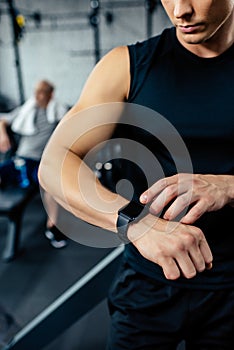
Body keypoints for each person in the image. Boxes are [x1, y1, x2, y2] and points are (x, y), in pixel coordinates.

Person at [39, 1, 234, 349]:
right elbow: (55, 162)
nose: (180, 11)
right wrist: (137, 222)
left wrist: (230, 186)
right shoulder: (127, 66)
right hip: (147, 285)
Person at [0, 80, 68, 249]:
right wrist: (3, 135)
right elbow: (2, 121)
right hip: (21, 159)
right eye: (37, 92)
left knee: (50, 186)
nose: (39, 96)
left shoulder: (59, 111)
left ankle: (53, 227)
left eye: (43, 92)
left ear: (51, 94)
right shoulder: (26, 110)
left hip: (42, 161)